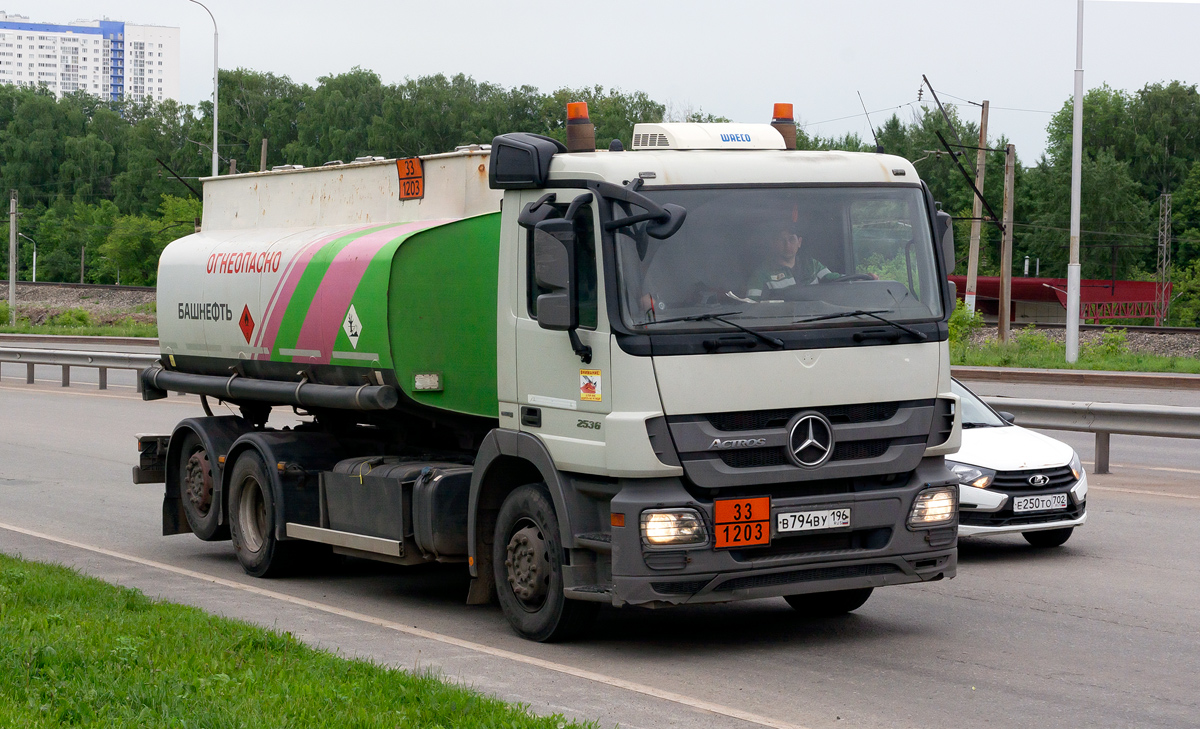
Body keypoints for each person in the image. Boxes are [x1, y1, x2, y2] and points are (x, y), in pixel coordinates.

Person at [745, 228, 840, 300]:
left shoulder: (812, 265)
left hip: (815, 318)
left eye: (791, 239)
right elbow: (750, 305)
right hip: (781, 323)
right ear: (773, 244)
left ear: (799, 242)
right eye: (781, 240)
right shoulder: (761, 274)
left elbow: (837, 280)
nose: (787, 245)